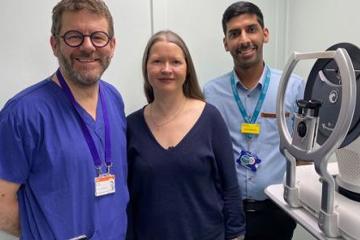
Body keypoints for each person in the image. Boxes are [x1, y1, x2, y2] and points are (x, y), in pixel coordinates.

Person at [0, 0, 128, 239]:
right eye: (73, 36)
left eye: (98, 37)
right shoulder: (23, 114)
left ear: (112, 45)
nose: (87, 46)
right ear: (54, 44)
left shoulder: (113, 98)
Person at [126, 30, 245, 240]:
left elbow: (230, 188)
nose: (166, 69)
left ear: (187, 68)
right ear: (146, 68)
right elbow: (127, 198)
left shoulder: (210, 118)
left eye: (175, 62)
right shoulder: (131, 127)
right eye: (157, 61)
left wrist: (236, 235)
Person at [203, 2, 305, 240]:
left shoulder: (292, 87)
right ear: (226, 43)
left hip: (277, 212)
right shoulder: (211, 93)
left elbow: (303, 154)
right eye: (234, 33)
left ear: (265, 34)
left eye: (251, 29)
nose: (244, 39)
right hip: (227, 212)